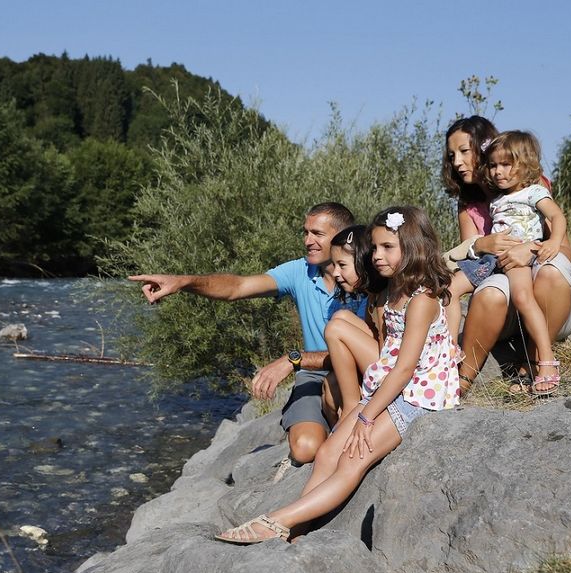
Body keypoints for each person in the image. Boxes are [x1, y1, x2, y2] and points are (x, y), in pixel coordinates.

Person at [214, 206, 461, 544]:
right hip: (388, 389)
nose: (376, 256)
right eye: (374, 247)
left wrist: (367, 416)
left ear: (414, 247)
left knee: (351, 462)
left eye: (388, 247)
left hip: (418, 397)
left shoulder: (422, 299)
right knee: (329, 452)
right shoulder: (390, 292)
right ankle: (297, 531)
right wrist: (364, 409)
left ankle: (276, 521)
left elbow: (405, 368)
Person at [128, 202, 364, 465]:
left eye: (317, 234)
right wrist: (182, 282)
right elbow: (236, 287)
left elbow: (365, 354)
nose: (308, 240)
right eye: (305, 232)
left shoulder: (368, 281)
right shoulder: (300, 271)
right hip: (314, 373)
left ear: (343, 235)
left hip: (357, 373)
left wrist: (293, 359)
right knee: (305, 450)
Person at [442, 116, 571, 396]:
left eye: (464, 151)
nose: (457, 162)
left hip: (542, 284)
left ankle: (537, 360)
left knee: (549, 271)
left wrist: (528, 247)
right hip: (500, 279)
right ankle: (457, 374)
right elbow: (473, 258)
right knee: (482, 289)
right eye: (451, 155)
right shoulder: (471, 203)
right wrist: (482, 243)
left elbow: (562, 248)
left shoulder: (530, 187)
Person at [322, 225, 387, 423]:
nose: (335, 273)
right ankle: (348, 405)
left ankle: (351, 406)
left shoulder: (382, 300)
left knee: (335, 328)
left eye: (342, 265)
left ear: (362, 261)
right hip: (384, 358)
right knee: (341, 317)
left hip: (392, 367)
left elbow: (387, 352)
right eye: (334, 265)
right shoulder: (371, 297)